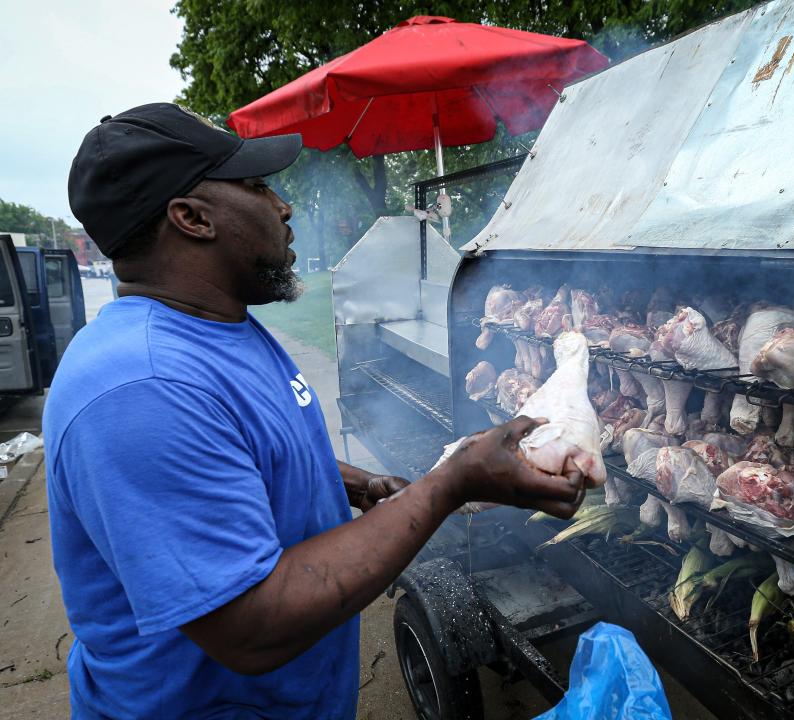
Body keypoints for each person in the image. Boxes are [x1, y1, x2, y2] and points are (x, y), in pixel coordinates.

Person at [46, 103, 586, 719]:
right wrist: (450, 482)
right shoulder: (140, 389)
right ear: (191, 218)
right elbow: (251, 625)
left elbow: (252, 453)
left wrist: (357, 484)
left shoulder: (217, 327)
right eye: (255, 187)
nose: (283, 205)